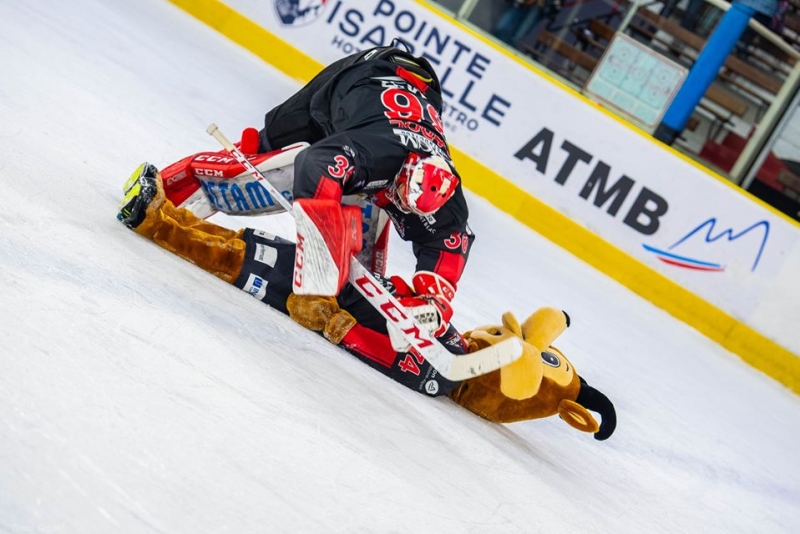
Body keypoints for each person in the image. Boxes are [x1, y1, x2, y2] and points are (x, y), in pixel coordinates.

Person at [115, 164, 617, 442]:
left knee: (243, 261)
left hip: (322, 301)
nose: (490, 336)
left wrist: (338, 326)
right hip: (342, 279)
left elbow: (385, 353)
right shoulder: (454, 344)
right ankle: (169, 215)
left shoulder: (440, 374)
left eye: (502, 349)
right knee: (255, 245)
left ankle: (153, 221)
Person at [133, 39, 473, 348]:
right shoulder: (376, 150)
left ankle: (348, 257)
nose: (399, 205)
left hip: (419, 96)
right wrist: (324, 254)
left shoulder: (447, 193)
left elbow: (452, 237)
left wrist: (434, 299)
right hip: (355, 77)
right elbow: (316, 161)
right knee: (266, 154)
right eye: (399, 193)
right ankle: (168, 183)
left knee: (365, 221)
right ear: (405, 170)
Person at [493, 0, 561, 48]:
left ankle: (502, 58)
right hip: (519, 3)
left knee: (516, 38)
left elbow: (556, 6)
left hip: (538, 8)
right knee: (501, 28)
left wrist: (552, 7)